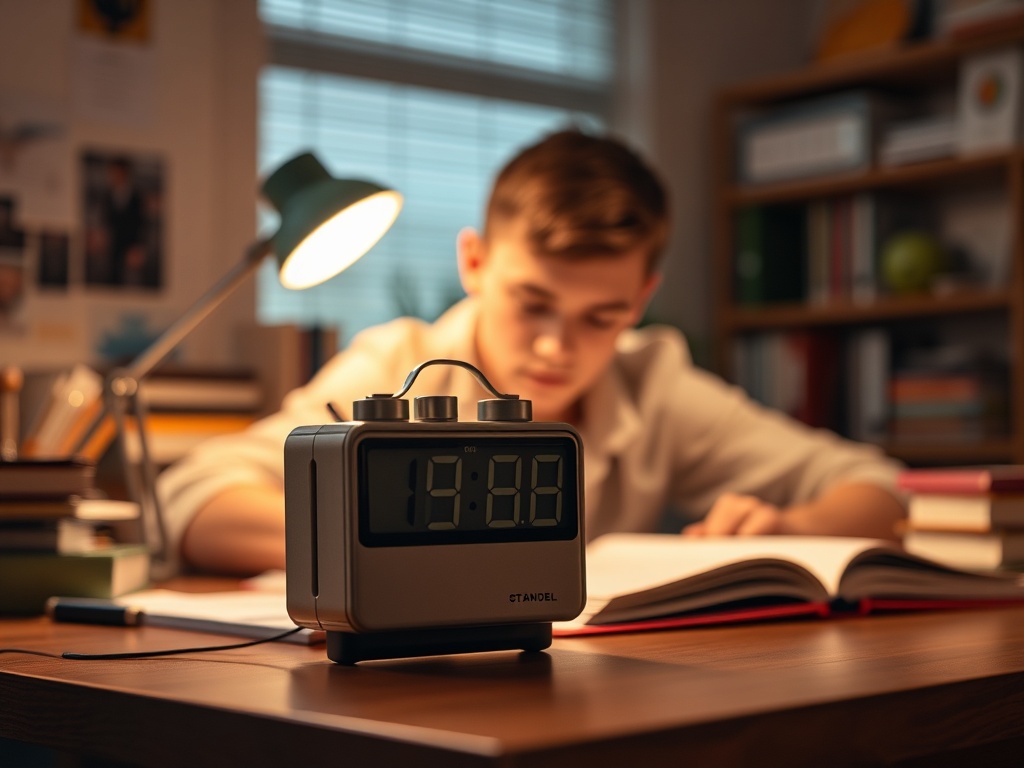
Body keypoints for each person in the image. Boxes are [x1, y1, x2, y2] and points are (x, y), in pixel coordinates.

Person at [158, 129, 905, 575]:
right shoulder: (397, 364)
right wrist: (385, 548)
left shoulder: (654, 383)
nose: (556, 347)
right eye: (532, 303)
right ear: (475, 263)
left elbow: (877, 488)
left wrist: (788, 530)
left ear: (642, 299)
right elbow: (191, 497)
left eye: (601, 316)